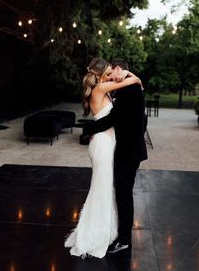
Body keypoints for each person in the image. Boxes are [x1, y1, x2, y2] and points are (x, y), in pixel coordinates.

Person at [64, 58, 142, 259]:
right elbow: (134, 84)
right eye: (107, 72)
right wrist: (134, 78)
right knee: (102, 189)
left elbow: (113, 116)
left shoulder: (104, 90)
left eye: (112, 71)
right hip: (102, 145)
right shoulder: (100, 88)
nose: (110, 74)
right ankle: (94, 235)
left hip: (110, 145)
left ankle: (105, 232)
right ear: (99, 75)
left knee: (106, 189)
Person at [86, 58, 148, 255]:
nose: (111, 74)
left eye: (112, 70)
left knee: (123, 195)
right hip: (128, 149)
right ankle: (120, 236)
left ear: (120, 70)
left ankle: (124, 240)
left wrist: (89, 130)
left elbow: (112, 120)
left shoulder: (128, 89)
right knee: (121, 194)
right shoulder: (125, 88)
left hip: (128, 151)